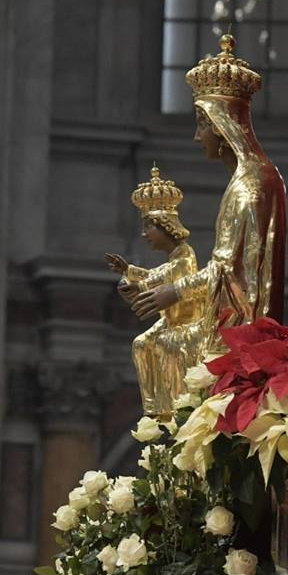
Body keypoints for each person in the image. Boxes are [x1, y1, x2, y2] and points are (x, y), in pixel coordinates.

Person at [130, 34, 288, 340]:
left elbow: (227, 271)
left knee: (153, 345)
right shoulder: (253, 176)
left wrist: (175, 291)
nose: (197, 136)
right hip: (228, 319)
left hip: (237, 334)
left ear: (221, 124)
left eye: (202, 125)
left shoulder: (251, 185)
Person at [105, 165, 206, 420]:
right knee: (141, 343)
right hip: (169, 322)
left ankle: (179, 406)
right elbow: (155, 275)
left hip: (184, 326)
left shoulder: (185, 256)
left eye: (148, 227)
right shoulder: (173, 258)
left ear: (165, 227)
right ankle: (157, 407)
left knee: (165, 344)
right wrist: (128, 270)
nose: (144, 234)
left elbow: (164, 280)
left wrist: (138, 284)